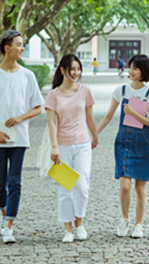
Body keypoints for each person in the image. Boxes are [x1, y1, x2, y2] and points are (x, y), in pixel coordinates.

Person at [0, 29, 44, 244]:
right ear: (7, 48)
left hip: (19, 138)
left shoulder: (27, 76)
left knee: (15, 182)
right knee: (0, 182)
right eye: (19, 44)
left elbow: (39, 107)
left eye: (23, 45)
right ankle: (3, 215)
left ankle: (9, 225)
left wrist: (21, 118)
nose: (22, 48)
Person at [97, 54, 149, 239]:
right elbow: (108, 116)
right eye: (130, 67)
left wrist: (132, 112)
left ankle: (139, 224)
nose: (130, 71)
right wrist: (93, 134)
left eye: (135, 69)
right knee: (124, 186)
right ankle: (124, 218)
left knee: (140, 187)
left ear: (144, 71)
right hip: (123, 142)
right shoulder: (121, 90)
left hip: (142, 143)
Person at [45, 54, 99, 243]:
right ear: (62, 71)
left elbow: (90, 117)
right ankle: (67, 229)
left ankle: (79, 223)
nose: (75, 73)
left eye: (78, 69)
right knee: (64, 188)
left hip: (83, 144)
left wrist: (95, 135)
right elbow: (51, 123)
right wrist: (54, 147)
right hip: (62, 146)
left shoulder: (85, 91)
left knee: (82, 185)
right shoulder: (53, 95)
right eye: (72, 69)